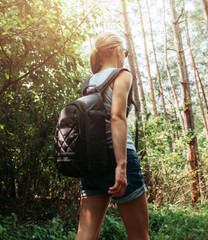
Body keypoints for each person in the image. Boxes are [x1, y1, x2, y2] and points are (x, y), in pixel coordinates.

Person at [75, 33, 149, 240]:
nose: (125, 56)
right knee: (139, 235)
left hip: (91, 160)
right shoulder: (122, 74)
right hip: (118, 156)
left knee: (86, 234)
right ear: (118, 51)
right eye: (125, 52)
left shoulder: (88, 82)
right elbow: (117, 117)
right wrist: (121, 166)